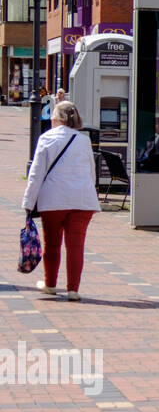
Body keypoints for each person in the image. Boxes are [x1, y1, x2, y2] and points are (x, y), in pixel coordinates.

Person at [21, 101, 100, 301]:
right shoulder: (83, 140)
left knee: (53, 243)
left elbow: (36, 174)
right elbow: (91, 172)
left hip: (53, 199)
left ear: (57, 118)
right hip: (82, 200)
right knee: (76, 246)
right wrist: (90, 192)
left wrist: (28, 203)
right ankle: (73, 289)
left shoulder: (46, 138)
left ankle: (50, 284)